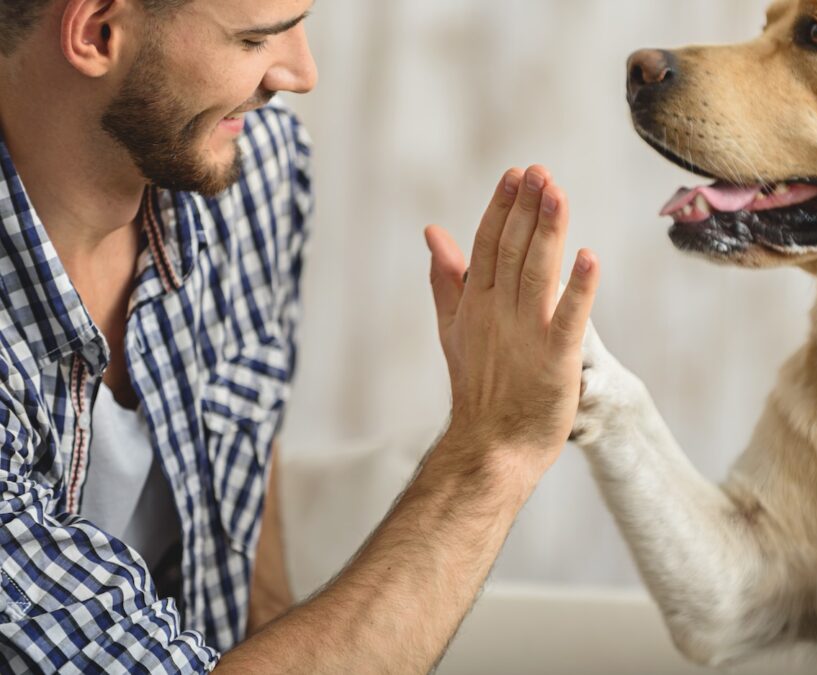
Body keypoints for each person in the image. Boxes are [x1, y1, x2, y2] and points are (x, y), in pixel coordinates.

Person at [0, 0, 600, 671]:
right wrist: (494, 452)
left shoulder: (251, 164)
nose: (301, 73)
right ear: (96, 31)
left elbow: (244, 486)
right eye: (256, 38)